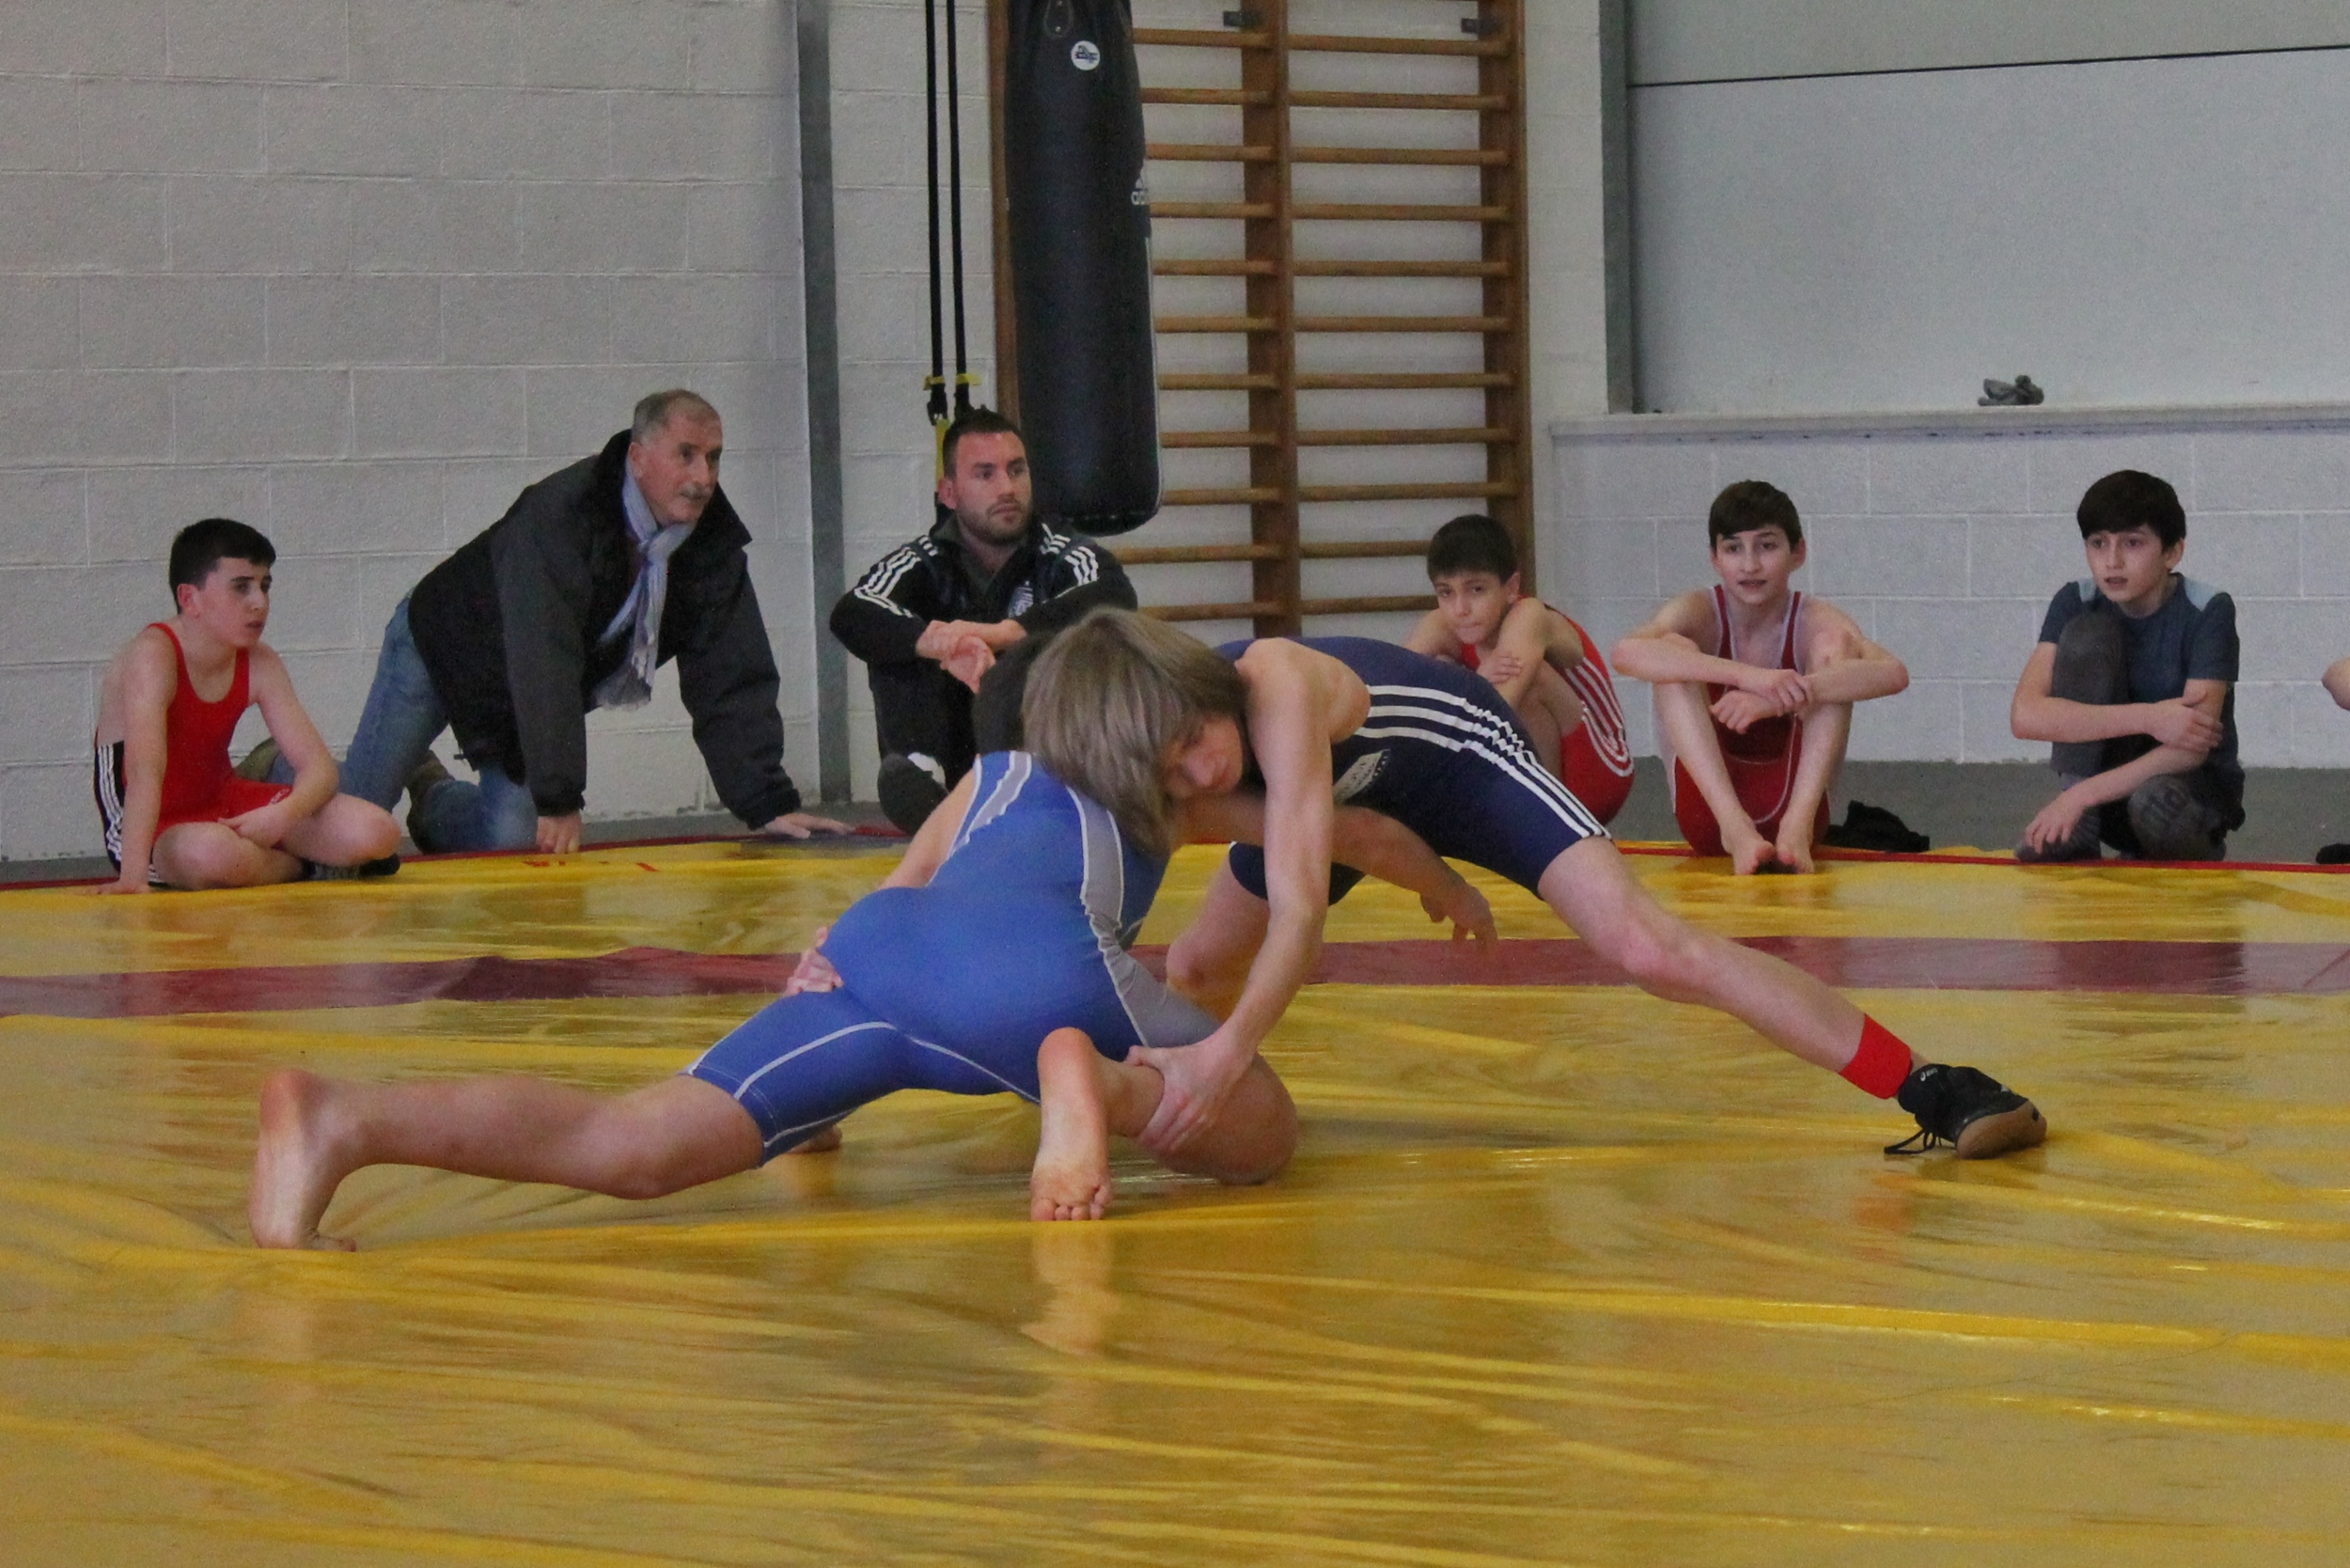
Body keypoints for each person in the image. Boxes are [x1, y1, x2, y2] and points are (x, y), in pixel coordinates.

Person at [248, 611, 1492, 1248]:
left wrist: (825, 962)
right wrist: (1445, 885)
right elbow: (1347, 842)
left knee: (631, 1141)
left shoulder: (995, 774)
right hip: (1045, 990)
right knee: (1262, 1135)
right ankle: (1092, 1085)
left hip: (874, 956)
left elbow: (906, 883)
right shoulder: (1170, 791)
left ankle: (346, 1120)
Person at [1148, 635, 2045, 1164]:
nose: (1200, 774)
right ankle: (1196, 1117)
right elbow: (1359, 836)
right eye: (1172, 770)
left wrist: (1230, 1050)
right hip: (1352, 801)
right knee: (1195, 964)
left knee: (1651, 949)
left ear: (1210, 693)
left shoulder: (1272, 683)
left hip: (1460, 759)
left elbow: (1302, 911)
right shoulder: (1176, 769)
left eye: (1196, 744)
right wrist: (1442, 884)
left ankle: (1930, 1082)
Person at [321, 389, 840, 855]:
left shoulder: (710, 547)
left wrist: (766, 801)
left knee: (513, 840)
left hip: (518, 692)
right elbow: (544, 655)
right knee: (350, 828)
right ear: (638, 458)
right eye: (686, 455)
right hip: (441, 643)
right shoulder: (560, 515)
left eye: (713, 457)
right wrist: (559, 796)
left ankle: (432, 795)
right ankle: (290, 770)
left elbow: (732, 672)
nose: (703, 478)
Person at [830, 407, 1138, 832]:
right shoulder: (924, 561)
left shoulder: (1062, 553)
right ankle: (925, 776)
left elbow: (1114, 593)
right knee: (901, 639)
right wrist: (942, 642)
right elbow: (853, 610)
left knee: (1085, 637)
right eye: (985, 474)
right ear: (949, 493)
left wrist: (1004, 634)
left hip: (1040, 746)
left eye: (1016, 470)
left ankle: (1050, 785)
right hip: (955, 752)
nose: (1007, 488)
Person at [1611, 480, 1910, 874]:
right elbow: (1625, 653)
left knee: (1836, 649)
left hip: (1797, 812)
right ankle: (1737, 830)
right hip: (1711, 819)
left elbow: (1893, 673)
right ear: (1715, 559)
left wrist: (1784, 696)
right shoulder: (1699, 611)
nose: (1750, 565)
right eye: (1734, 549)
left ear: (1798, 553)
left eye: (1766, 546)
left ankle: (1796, 828)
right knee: (1672, 650)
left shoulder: (1813, 619)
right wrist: (1751, 677)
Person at [89, 521, 401, 893]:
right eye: (241, 587)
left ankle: (272, 860)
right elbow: (144, 773)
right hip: (153, 825)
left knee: (377, 831)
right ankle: (307, 866)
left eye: (264, 585)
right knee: (210, 854)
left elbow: (319, 768)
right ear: (190, 599)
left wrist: (283, 815)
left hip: (223, 800)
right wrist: (132, 877)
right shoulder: (153, 656)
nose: (259, 602)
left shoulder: (259, 661)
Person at [2010, 470, 2241, 863]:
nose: (2112, 561)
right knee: (2086, 635)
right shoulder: (2075, 600)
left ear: (2172, 553)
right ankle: (2081, 828)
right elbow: (2026, 716)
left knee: (2155, 808)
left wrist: (2081, 797)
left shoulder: (2208, 609)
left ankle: (2181, 847)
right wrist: (2150, 717)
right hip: (2102, 791)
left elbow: (2190, 749)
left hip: (2184, 790)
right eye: (2098, 543)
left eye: (2133, 543)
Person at [1404, 512, 1635, 824]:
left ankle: (1548, 824)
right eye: (1446, 592)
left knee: (1529, 678)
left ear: (1511, 588)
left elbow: (1494, 715)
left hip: (1599, 768)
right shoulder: (1442, 625)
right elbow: (1394, 695)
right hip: (1525, 757)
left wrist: (1465, 686)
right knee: (1436, 672)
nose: (1460, 609)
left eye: (1476, 590)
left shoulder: (1529, 615)